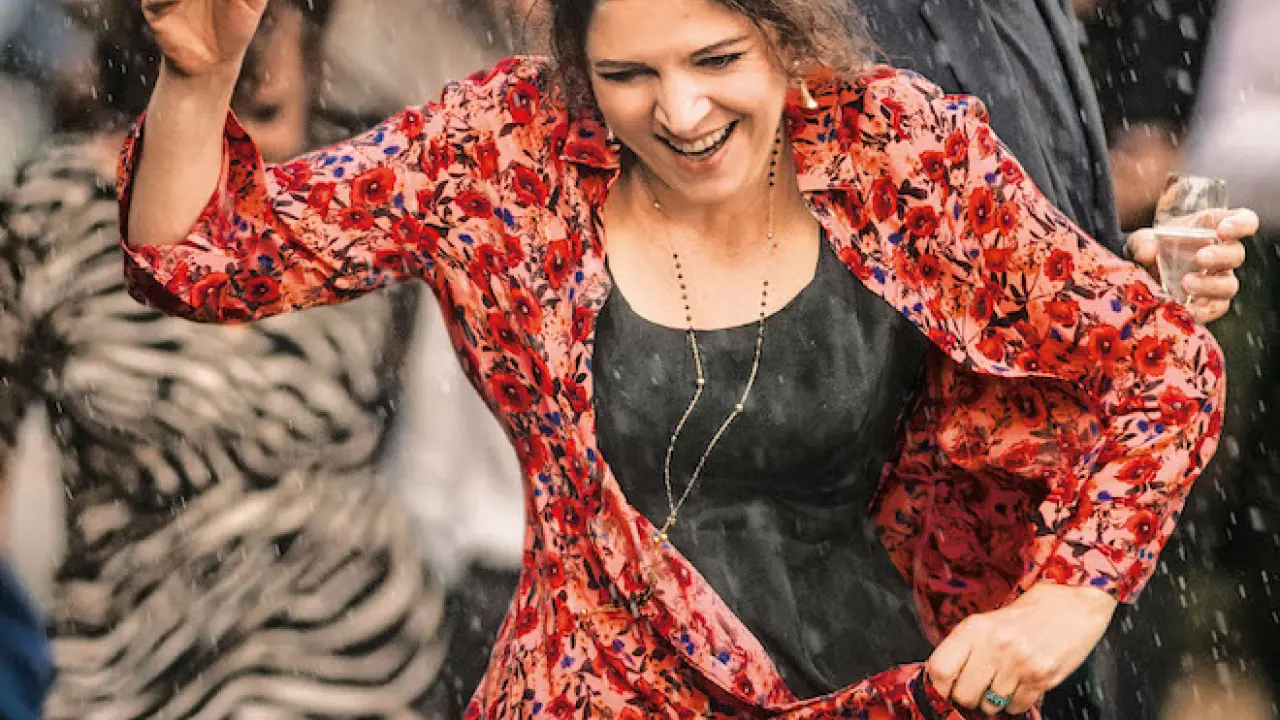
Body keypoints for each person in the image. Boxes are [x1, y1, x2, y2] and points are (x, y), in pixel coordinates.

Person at [122, 0, 1235, 716]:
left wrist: (1070, 596)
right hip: (592, 688)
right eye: (628, 74)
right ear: (573, 60)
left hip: (873, 682)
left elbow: (1158, 365)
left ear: (785, 36)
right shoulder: (499, 153)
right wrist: (194, 82)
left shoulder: (897, 149)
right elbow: (201, 262)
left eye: (716, 59)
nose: (682, 110)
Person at [0, 0, 459, 716]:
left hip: (360, 672)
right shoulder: (58, 208)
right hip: (133, 675)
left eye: (268, 111)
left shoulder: (366, 184)